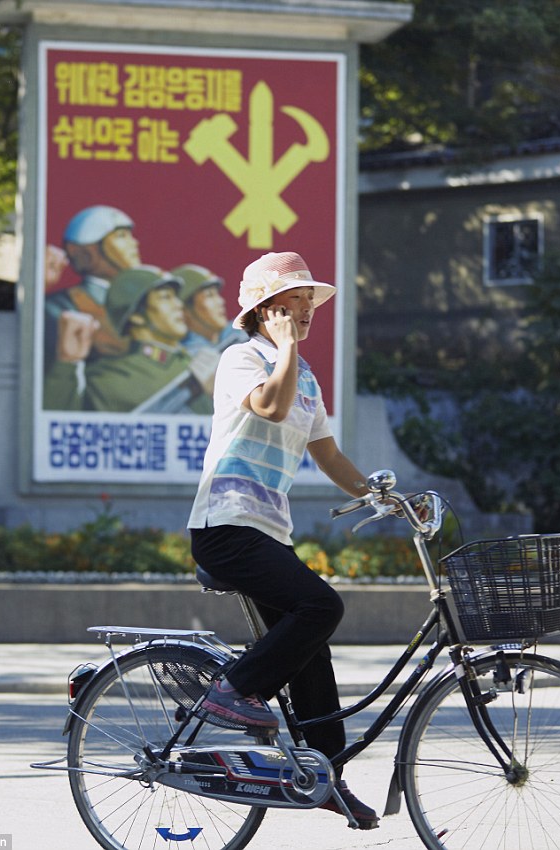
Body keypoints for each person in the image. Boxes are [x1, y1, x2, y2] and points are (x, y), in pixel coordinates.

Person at [187, 251, 380, 829]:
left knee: (310, 650)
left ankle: (325, 776)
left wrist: (383, 495)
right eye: (293, 305)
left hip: (266, 530)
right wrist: (286, 345)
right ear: (265, 312)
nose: (305, 315)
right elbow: (269, 408)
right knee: (322, 604)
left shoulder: (308, 379)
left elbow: (329, 454)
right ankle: (235, 688)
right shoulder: (240, 359)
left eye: (308, 307)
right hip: (225, 527)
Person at [43, 265, 218, 414]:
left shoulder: (189, 360)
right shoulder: (110, 378)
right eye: (166, 298)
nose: (179, 305)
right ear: (136, 316)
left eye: (176, 298)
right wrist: (66, 364)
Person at [43, 205, 141, 370]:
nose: (134, 243)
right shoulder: (58, 308)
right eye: (121, 236)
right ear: (87, 251)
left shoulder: (143, 302)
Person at [170, 263, 247, 354]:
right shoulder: (184, 353)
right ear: (185, 309)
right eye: (209, 295)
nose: (220, 302)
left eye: (216, 294)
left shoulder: (239, 330)